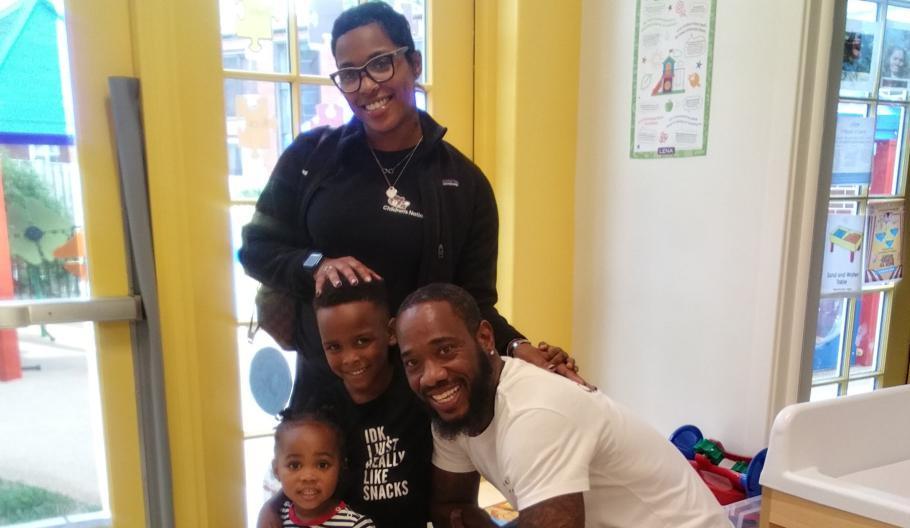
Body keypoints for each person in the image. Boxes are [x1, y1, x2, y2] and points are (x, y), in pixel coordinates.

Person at [238, 1, 581, 409]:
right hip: (326, 398)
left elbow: (472, 304)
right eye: (349, 74)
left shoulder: (464, 184)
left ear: (414, 63)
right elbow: (255, 249)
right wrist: (316, 265)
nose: (366, 85)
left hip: (422, 402)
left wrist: (520, 347)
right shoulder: (311, 159)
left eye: (381, 64)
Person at [394, 284, 732, 528]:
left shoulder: (535, 413)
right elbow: (450, 507)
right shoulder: (456, 410)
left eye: (445, 350)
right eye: (413, 363)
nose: (431, 376)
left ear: (485, 338)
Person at [260, 279, 432, 528]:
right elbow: (299, 466)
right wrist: (271, 508)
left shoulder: (416, 393)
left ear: (391, 333)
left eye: (362, 341)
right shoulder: (321, 407)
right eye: (334, 347)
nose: (350, 358)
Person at [271, 406, 375, 528]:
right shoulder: (275, 519)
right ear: (276, 470)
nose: (308, 477)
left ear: (340, 467)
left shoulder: (357, 525)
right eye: (294, 465)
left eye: (322, 465)